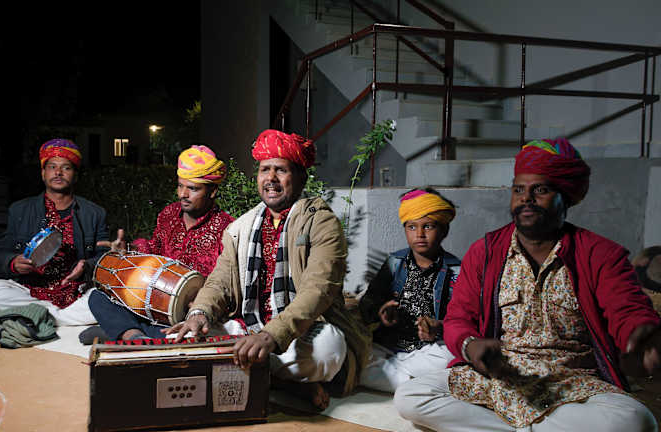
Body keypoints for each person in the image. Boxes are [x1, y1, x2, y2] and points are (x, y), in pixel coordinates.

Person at [394, 138, 660, 431]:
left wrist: (638, 332)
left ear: (565, 198)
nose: (526, 199)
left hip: (572, 383)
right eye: (518, 190)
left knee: (635, 420)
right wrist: (470, 345)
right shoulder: (485, 252)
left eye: (540, 190)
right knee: (411, 396)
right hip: (499, 377)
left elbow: (627, 309)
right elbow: (458, 318)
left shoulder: (599, 254)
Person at [164, 129, 371, 410]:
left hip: (299, 331)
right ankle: (282, 383)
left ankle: (242, 368)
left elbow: (318, 290)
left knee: (328, 349)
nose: (270, 178)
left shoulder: (321, 223)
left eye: (281, 170)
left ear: (300, 178)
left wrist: (271, 336)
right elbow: (219, 281)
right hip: (249, 325)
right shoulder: (242, 227)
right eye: (264, 170)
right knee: (187, 337)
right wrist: (200, 313)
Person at [87, 145, 234, 341]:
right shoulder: (169, 214)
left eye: (192, 188)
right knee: (98, 297)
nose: (183, 194)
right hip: (153, 301)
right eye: (180, 186)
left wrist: (200, 303)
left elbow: (226, 284)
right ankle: (135, 336)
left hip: (188, 314)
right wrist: (130, 250)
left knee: (197, 329)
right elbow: (153, 248)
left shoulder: (228, 228)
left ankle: (125, 331)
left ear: (213, 190)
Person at [0, 139, 109, 326]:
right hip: (28, 289)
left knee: (113, 298)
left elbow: (103, 257)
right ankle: (56, 315)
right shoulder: (20, 209)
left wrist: (86, 266)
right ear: (43, 173)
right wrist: (13, 262)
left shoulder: (94, 213)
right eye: (52, 167)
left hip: (77, 290)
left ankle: (36, 314)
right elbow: (2, 251)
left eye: (66, 168)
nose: (58, 173)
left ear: (75, 175)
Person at [357, 188, 459, 393]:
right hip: (388, 346)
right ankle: (416, 384)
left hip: (428, 350)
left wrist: (438, 327)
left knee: (449, 358)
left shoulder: (456, 270)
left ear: (444, 231)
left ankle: (394, 378)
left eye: (428, 226)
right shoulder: (394, 263)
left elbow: (463, 321)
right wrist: (380, 311)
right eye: (412, 227)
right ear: (405, 229)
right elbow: (368, 303)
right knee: (353, 355)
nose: (419, 234)